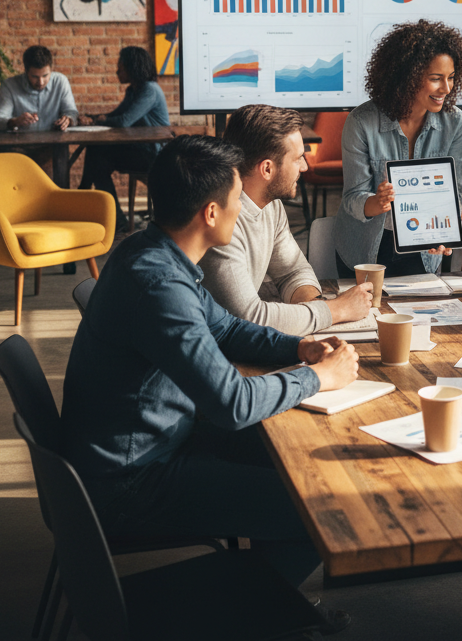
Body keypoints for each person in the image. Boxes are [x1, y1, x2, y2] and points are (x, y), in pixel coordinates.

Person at [60, 134, 359, 609]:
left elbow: (226, 329)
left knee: (301, 462)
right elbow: (231, 404)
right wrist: (320, 378)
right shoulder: (159, 286)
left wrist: (299, 346)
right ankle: (250, 611)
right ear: (211, 213)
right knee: (318, 509)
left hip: (152, 443)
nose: (244, 210)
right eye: (238, 199)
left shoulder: (152, 250)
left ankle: (262, 594)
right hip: (132, 481)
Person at [199, 104, 373, 334]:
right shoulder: (220, 221)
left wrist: (316, 308)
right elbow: (249, 317)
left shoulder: (272, 205)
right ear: (267, 169)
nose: (305, 166)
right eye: (298, 158)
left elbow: (293, 271)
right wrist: (335, 310)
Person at [334, 20, 462, 278]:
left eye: (451, 77)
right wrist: (378, 201)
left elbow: (454, 189)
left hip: (422, 248)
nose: (447, 88)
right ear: (407, 77)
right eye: (435, 79)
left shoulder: (455, 122)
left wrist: (447, 225)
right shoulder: (362, 122)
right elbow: (353, 198)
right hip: (366, 248)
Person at [78, 45, 170, 231]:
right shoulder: (133, 91)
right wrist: (93, 119)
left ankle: (86, 196)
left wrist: (100, 120)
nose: (116, 70)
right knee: (97, 157)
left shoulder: (149, 90)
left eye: (120, 66)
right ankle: (113, 217)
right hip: (140, 151)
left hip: (154, 155)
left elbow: (123, 121)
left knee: (97, 156)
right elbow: (115, 116)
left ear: (132, 68)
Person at [0, 45, 80, 175]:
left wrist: (68, 120)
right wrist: (15, 121)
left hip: (49, 147)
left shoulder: (60, 82)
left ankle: (60, 193)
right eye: (34, 76)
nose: (41, 81)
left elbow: (72, 112)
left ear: (51, 69)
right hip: (17, 148)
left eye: (45, 75)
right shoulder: (9, 85)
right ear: (26, 70)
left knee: (61, 152)